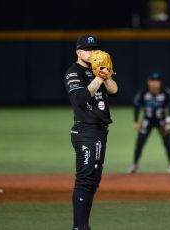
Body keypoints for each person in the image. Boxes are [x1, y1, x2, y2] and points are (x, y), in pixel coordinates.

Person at [63, 34, 118, 230]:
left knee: (93, 181)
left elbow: (114, 90)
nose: (92, 52)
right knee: (85, 180)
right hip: (86, 131)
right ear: (78, 52)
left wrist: (107, 75)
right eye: (87, 49)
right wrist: (98, 78)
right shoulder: (73, 72)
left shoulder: (98, 69)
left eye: (94, 49)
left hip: (99, 131)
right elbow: (79, 99)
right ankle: (79, 227)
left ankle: (83, 226)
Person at [128, 72, 170, 174]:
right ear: (148, 82)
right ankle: (134, 166)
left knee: (168, 144)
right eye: (152, 81)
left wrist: (169, 120)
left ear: (160, 83)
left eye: (157, 81)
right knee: (140, 143)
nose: (154, 84)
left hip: (161, 121)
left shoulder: (165, 92)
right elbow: (136, 104)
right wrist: (136, 120)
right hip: (147, 120)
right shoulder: (143, 92)